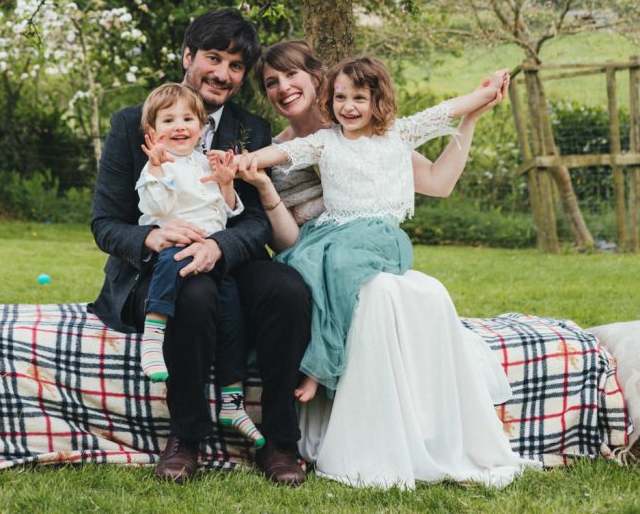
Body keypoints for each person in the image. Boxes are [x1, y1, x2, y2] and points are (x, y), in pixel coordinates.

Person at [227, 40, 535, 489]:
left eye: (291, 75)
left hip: (372, 238)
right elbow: (280, 160)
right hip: (327, 237)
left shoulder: (390, 136)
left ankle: (334, 375)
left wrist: (480, 101)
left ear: (318, 79)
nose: (349, 106)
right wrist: (244, 163)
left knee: (374, 280)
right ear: (331, 95)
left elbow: (443, 126)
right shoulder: (321, 142)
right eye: (271, 82)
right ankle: (315, 367)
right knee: (308, 271)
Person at [89, 10, 311, 486]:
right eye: (213, 58)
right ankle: (185, 437)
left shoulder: (251, 129)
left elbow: (255, 220)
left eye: (235, 66)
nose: (222, 74)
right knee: (193, 293)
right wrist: (151, 236)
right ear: (187, 56)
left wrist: (219, 246)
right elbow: (105, 223)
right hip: (160, 264)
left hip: (228, 254)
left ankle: (280, 442)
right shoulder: (132, 124)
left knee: (288, 289)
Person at [135, 81, 263, 448]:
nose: (179, 126)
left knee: (232, 320)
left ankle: (232, 401)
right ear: (153, 132)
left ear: (202, 126)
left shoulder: (204, 163)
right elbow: (155, 210)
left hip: (212, 255)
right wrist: (157, 170)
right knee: (169, 276)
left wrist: (225, 184)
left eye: (188, 118)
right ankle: (152, 339)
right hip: (176, 248)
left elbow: (226, 212)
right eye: (169, 119)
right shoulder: (159, 167)